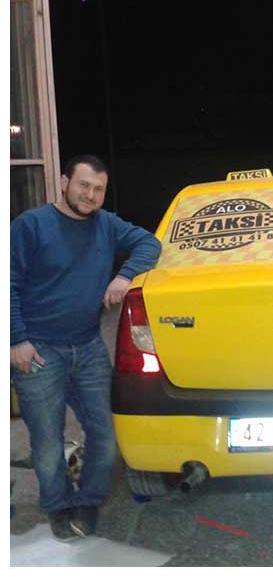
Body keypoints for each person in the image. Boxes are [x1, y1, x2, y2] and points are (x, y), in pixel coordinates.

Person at [10, 155, 161, 539]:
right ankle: (58, 505)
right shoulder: (31, 225)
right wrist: (15, 340)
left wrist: (124, 276)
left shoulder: (106, 225)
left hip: (88, 344)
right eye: (83, 185)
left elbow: (149, 243)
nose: (90, 195)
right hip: (39, 351)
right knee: (47, 443)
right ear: (64, 182)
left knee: (105, 434)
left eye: (98, 189)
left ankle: (88, 500)